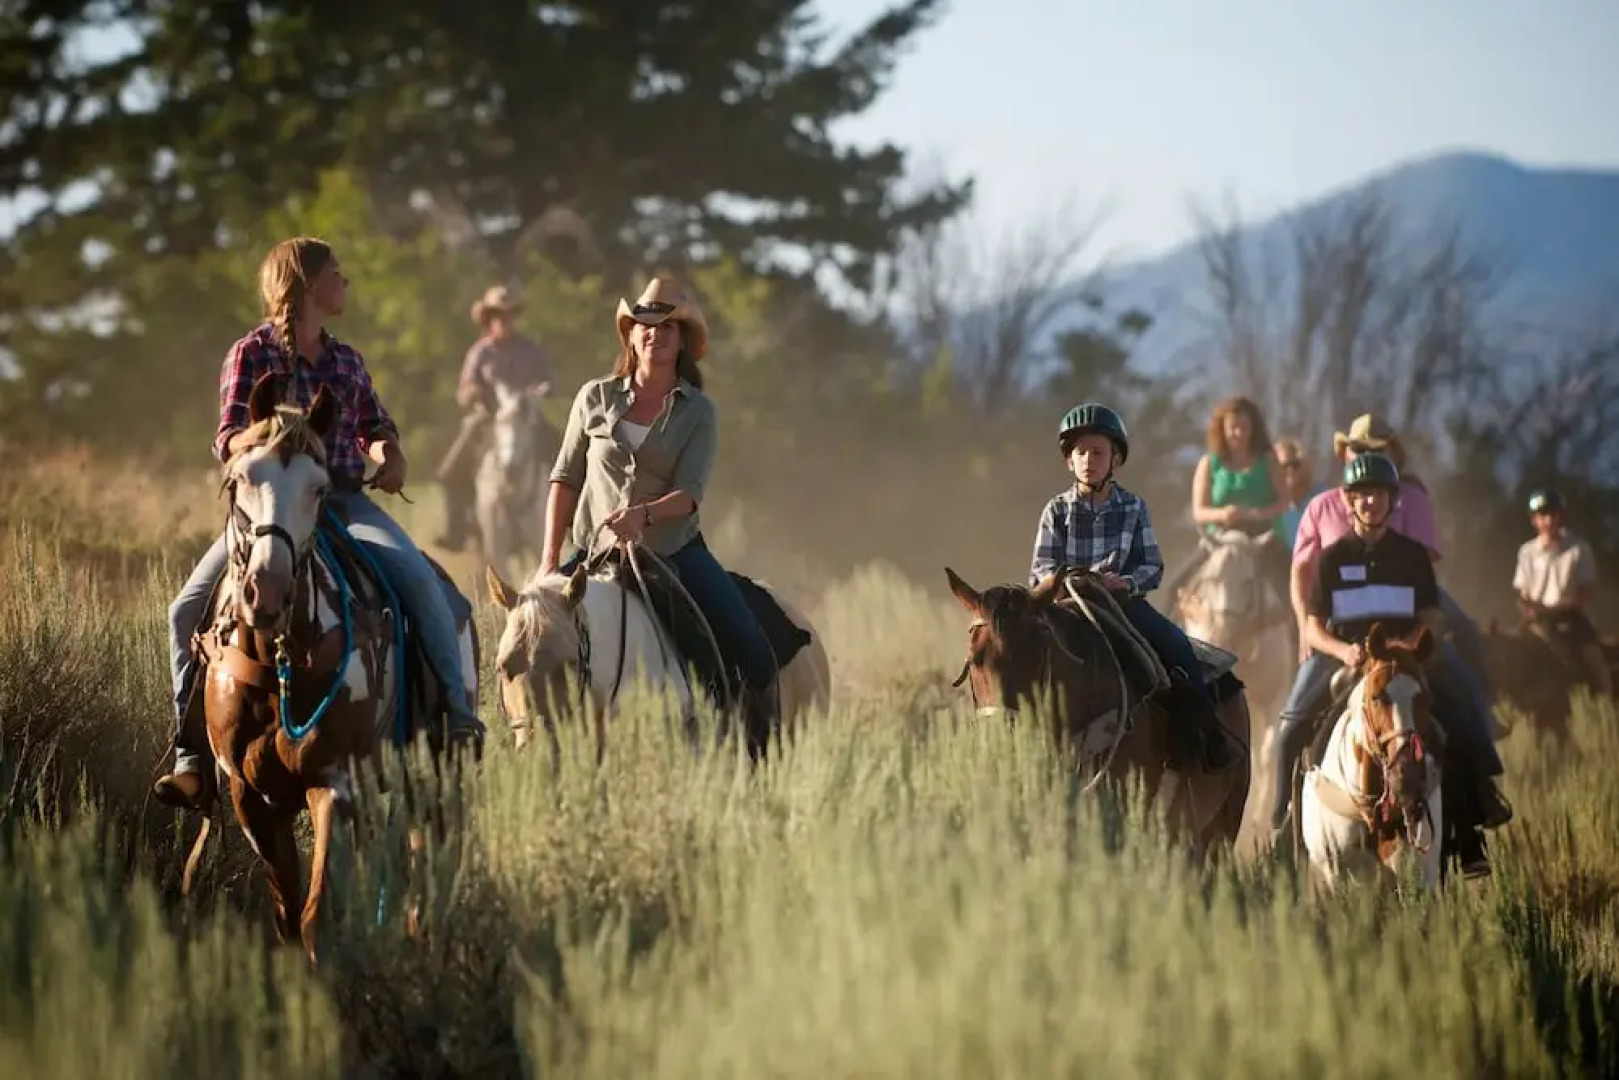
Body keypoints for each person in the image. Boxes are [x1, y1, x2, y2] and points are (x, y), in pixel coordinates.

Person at [153, 237, 486, 810]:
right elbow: (227, 436)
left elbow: (375, 428)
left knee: (424, 584)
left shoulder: (347, 360)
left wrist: (388, 455)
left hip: (343, 503)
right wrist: (272, 444)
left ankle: (455, 719)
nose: (346, 282)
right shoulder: (252, 353)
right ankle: (191, 757)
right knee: (186, 609)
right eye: (337, 273)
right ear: (307, 286)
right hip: (271, 512)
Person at [540, 277, 781, 754]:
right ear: (630, 334)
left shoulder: (699, 412)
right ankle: (528, 742)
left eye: (669, 326)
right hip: (594, 554)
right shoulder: (594, 397)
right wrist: (549, 559)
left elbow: (689, 494)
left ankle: (756, 750)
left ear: (683, 341)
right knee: (533, 635)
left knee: (749, 645)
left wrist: (642, 516)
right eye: (645, 324)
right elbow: (564, 478)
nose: (656, 333)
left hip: (672, 551)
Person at [1267, 453, 1510, 876]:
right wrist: (1344, 652)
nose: (1370, 504)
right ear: (1348, 501)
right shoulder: (1331, 559)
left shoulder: (1412, 556)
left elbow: (1433, 615)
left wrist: (1411, 646)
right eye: (1361, 496)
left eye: (1378, 495)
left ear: (1391, 500)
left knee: (1460, 713)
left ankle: (1473, 824)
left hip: (1406, 658)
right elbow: (1312, 627)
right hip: (1348, 657)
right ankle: (1284, 827)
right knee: (1292, 727)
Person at [1029, 402, 1244, 771]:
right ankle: (1019, 742)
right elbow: (1039, 570)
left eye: (1098, 452)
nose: (1088, 460)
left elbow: (1152, 567)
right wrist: (1063, 580)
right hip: (1068, 607)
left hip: (1121, 606)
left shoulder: (1133, 508)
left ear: (1115, 460)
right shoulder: (1056, 511)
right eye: (1080, 452)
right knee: (1020, 657)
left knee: (1178, 648)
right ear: (1069, 461)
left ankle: (1206, 738)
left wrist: (1125, 582)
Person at [433, 285, 555, 551]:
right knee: (450, 470)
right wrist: (474, 393)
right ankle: (457, 530)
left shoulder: (529, 348)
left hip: (526, 415)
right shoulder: (480, 352)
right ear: (489, 319)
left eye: (509, 315)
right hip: (487, 419)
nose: (504, 320)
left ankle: (569, 524)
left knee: (568, 457)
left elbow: (549, 379)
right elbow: (463, 391)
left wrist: (542, 389)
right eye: (498, 315)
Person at [1514, 489, 1612, 698]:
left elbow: (1586, 591)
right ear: (1534, 521)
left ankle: (1607, 695)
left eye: (1552, 514)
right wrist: (1528, 610)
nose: (1548, 520)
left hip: (1570, 616)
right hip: (1538, 619)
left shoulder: (1578, 548)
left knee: (1592, 655)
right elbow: (1523, 591)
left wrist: (1561, 608)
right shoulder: (1526, 552)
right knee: (1509, 654)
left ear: (1561, 516)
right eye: (1542, 516)